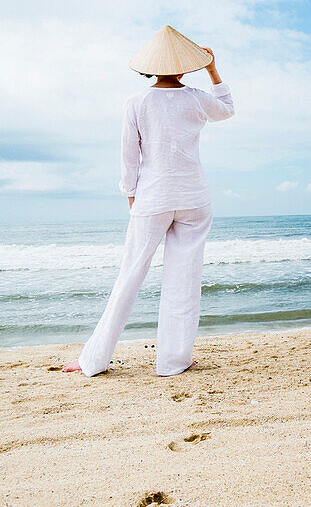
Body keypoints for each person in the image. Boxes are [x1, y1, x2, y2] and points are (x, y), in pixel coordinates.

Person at [64, 25, 234, 377]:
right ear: (186, 66)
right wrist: (213, 69)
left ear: (150, 66)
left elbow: (129, 154)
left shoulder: (137, 102)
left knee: (130, 275)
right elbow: (227, 109)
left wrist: (130, 193)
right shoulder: (197, 98)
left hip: (153, 196)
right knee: (184, 280)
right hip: (193, 197)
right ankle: (174, 361)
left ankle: (93, 361)